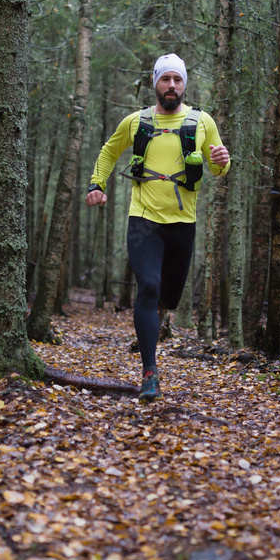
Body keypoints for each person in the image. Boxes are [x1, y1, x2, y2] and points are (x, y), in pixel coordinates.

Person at [85, 54, 230, 402]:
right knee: (148, 288)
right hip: (144, 219)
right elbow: (109, 151)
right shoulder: (137, 121)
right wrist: (97, 185)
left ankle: (158, 320)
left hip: (183, 223)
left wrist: (224, 162)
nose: (171, 86)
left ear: (184, 85)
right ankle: (150, 372)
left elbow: (218, 167)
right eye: (165, 80)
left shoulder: (202, 121)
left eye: (177, 80)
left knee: (170, 297)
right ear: (155, 83)